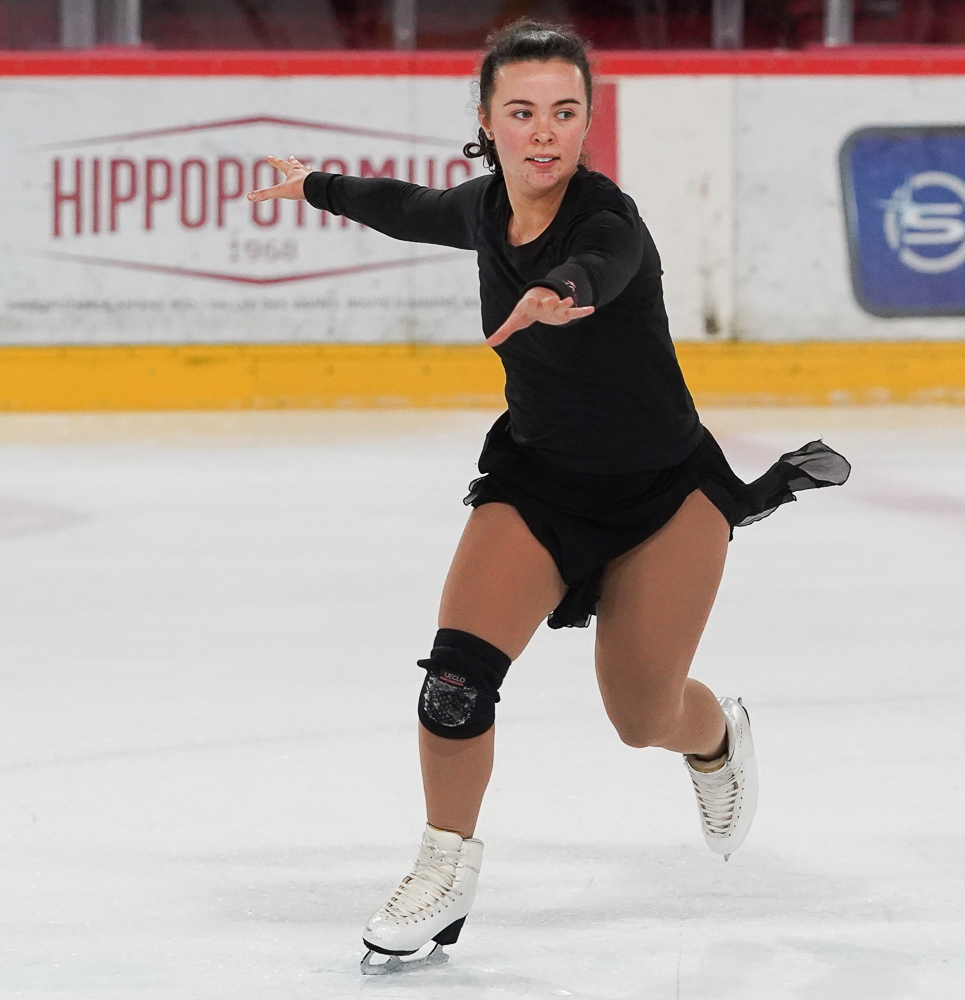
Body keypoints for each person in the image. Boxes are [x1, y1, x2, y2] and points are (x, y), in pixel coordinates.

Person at [248, 20, 849, 975]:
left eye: (565, 113)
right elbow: (407, 204)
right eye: (521, 112)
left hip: (663, 495)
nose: (544, 132)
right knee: (454, 681)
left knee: (642, 717)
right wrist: (312, 185)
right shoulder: (485, 210)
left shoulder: (609, 222)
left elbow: (604, 264)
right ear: (485, 122)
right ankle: (445, 869)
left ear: (587, 124)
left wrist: (564, 291)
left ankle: (716, 736)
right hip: (537, 485)